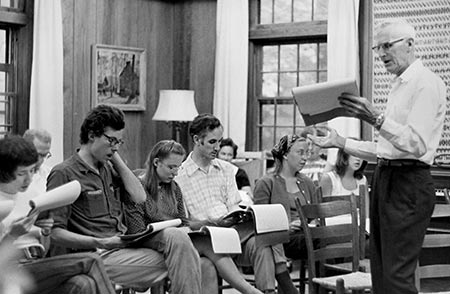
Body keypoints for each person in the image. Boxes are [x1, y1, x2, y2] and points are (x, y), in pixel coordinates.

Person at [308, 19, 446, 294]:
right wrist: (340, 141)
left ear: (409, 44)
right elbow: (386, 150)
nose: (381, 53)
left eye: (387, 45)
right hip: (387, 177)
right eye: (377, 47)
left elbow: (415, 145)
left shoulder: (426, 84)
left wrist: (376, 118)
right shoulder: (400, 86)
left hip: (408, 183)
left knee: (396, 276)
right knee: (381, 273)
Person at [45, 104, 205, 293]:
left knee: (178, 237)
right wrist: (100, 242)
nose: (114, 148)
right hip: (96, 254)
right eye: (111, 140)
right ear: (91, 135)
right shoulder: (64, 173)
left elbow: (139, 196)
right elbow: (55, 233)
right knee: (188, 261)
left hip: (124, 243)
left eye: (119, 143)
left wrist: (114, 157)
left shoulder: (108, 168)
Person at [175, 113, 299, 294]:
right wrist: (213, 222)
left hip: (233, 235)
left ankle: (267, 292)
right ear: (196, 140)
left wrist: (241, 213)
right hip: (204, 237)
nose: (217, 147)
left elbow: (234, 205)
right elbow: (184, 223)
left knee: (262, 243)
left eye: (220, 141)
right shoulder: (180, 176)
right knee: (208, 261)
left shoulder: (227, 169)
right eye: (212, 142)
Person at [124, 140, 263, 294]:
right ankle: (250, 291)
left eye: (178, 167)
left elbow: (183, 222)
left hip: (178, 241)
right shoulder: (137, 188)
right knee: (205, 243)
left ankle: (250, 291)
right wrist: (166, 229)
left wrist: (209, 223)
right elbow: (136, 232)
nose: (176, 172)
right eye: (171, 167)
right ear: (156, 162)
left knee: (206, 264)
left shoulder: (174, 187)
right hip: (148, 242)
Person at [0, 135, 115, 294]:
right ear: (5, 171)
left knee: (83, 283)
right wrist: (13, 235)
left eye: (32, 170)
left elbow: (45, 249)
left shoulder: (33, 193)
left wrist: (45, 231)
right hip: (10, 270)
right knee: (91, 260)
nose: (29, 179)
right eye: (21, 173)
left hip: (36, 262)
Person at [253, 134, 316, 260]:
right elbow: (260, 222)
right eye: (300, 153)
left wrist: (312, 223)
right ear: (285, 155)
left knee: (332, 238)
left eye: (307, 153)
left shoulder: (307, 182)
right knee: (323, 240)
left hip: (307, 234)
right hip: (282, 238)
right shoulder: (266, 183)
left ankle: (329, 277)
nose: (304, 158)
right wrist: (287, 226)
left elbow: (316, 215)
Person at [218, 137, 253, 204]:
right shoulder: (211, 170)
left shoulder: (239, 173)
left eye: (229, 155)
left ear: (233, 156)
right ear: (217, 154)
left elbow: (248, 195)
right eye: (223, 154)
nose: (226, 158)